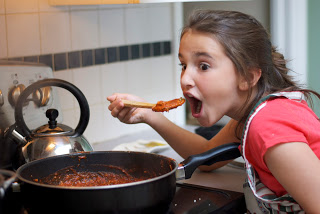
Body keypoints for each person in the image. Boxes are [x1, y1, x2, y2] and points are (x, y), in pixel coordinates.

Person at [107, 10, 320, 213]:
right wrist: (150, 115)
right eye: (183, 65)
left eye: (203, 66)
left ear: (247, 77)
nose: (184, 79)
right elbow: (208, 156)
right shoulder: (252, 116)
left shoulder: (268, 124)